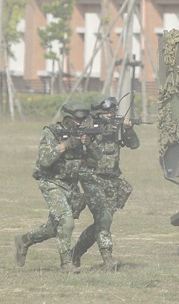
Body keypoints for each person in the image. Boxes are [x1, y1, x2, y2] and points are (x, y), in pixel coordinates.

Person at [14, 99, 92, 273]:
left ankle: (24, 240)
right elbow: (44, 160)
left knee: (53, 228)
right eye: (75, 120)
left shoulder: (83, 134)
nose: (79, 123)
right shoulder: (51, 133)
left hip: (71, 186)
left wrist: (88, 145)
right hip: (51, 182)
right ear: (67, 118)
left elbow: (92, 161)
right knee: (67, 222)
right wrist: (64, 146)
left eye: (82, 121)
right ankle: (66, 264)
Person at [72, 95, 138, 270]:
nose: (111, 114)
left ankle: (76, 252)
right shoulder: (88, 126)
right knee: (102, 218)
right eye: (108, 112)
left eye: (113, 112)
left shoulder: (117, 127)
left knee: (103, 222)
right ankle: (108, 259)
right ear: (100, 113)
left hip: (111, 179)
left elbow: (134, 144)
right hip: (91, 177)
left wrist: (128, 129)